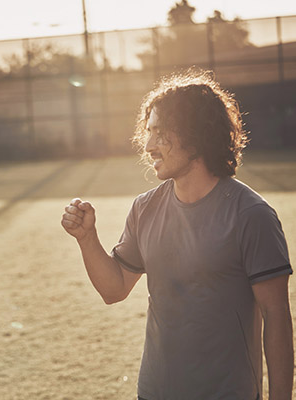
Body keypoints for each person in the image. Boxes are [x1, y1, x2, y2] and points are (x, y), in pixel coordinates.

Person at [61, 69, 293, 399]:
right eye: (148, 132)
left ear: (194, 135)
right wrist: (87, 239)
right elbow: (114, 289)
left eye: (160, 133)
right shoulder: (145, 208)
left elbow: (277, 317)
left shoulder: (251, 215)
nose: (148, 145)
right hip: (155, 391)